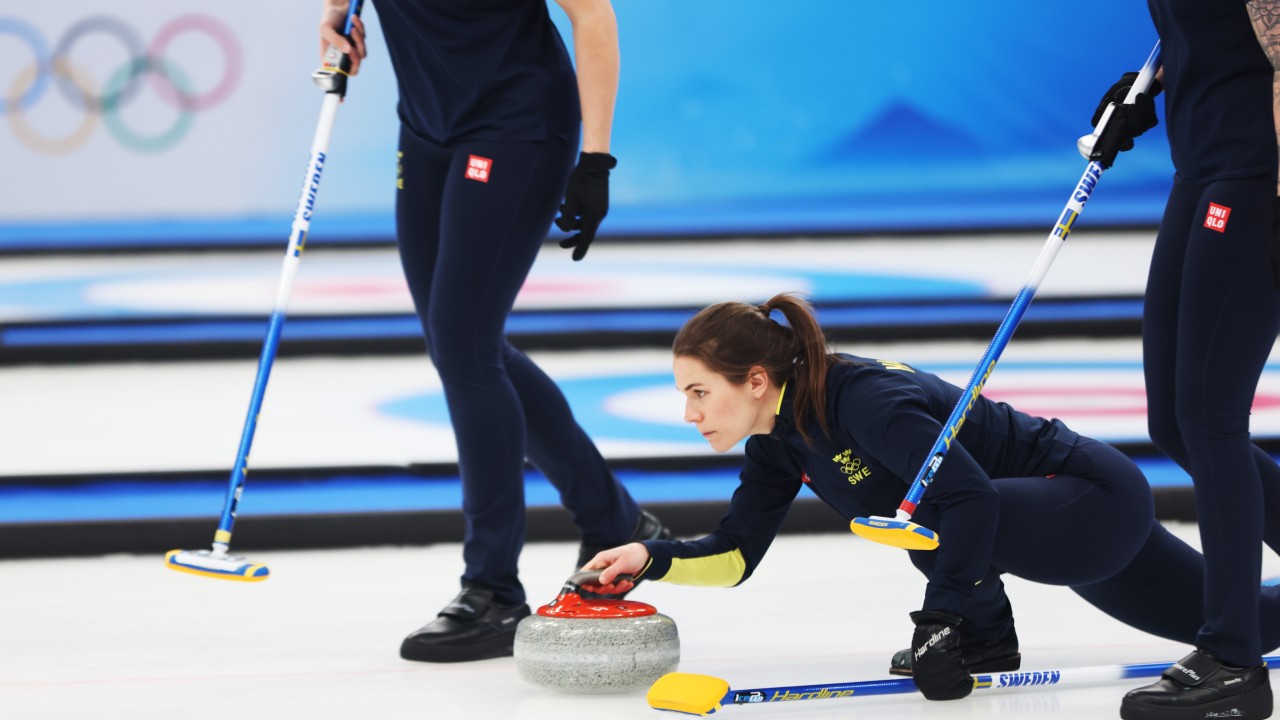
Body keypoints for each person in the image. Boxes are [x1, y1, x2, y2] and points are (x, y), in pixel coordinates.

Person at [580, 292, 1280, 704]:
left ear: (755, 379)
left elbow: (968, 498)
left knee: (929, 512)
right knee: (1246, 623)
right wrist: (652, 557)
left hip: (1089, 499)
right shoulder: (778, 440)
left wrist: (944, 620)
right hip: (1065, 532)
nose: (690, 413)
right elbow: (735, 555)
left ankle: (983, 634)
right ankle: (984, 633)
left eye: (699, 392)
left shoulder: (862, 400)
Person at [317, 0, 668, 663]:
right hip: (426, 126)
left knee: (464, 341)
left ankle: (493, 589)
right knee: (462, 343)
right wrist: (336, 14)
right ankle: (613, 518)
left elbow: (593, 14)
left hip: (515, 124)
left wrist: (596, 160)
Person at [1088, 2, 1280, 718]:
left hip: (1257, 175)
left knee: (1211, 418)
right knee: (1173, 419)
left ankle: (1234, 660)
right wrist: (1147, 86)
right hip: (1201, 167)